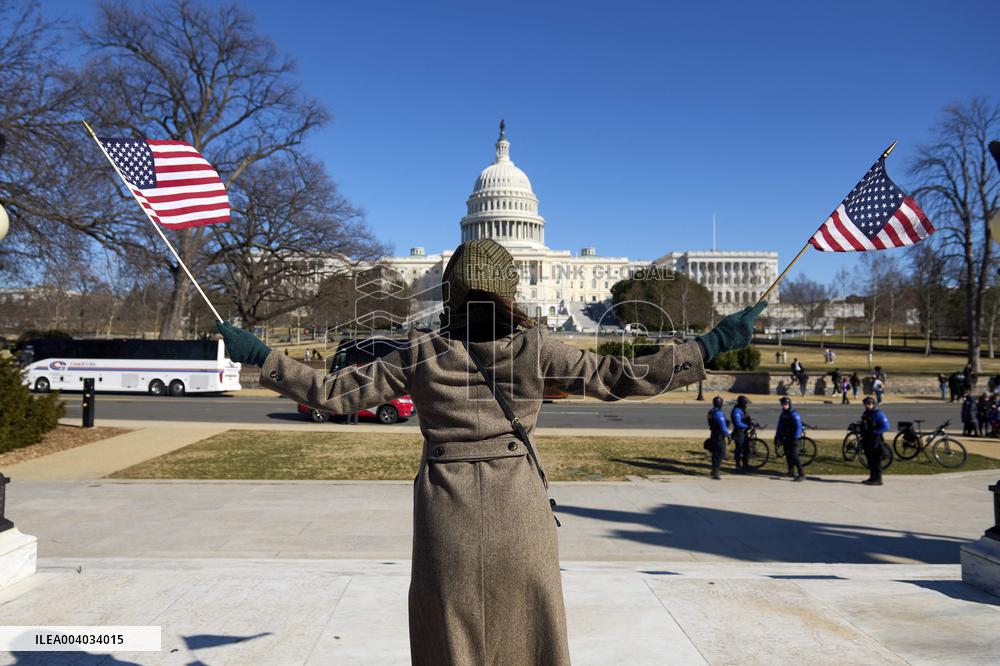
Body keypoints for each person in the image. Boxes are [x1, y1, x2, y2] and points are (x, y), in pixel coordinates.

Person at [215, 237, 767, 664]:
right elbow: (624, 377)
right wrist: (710, 344)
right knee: (526, 636)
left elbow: (333, 395)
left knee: (451, 632)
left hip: (445, 510)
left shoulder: (422, 353)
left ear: (451, 291)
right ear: (509, 290)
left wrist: (264, 358)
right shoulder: (534, 348)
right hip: (518, 509)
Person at [859, 396, 890, 486]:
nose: (866, 406)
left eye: (868, 404)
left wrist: (874, 432)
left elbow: (886, 426)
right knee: (870, 459)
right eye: (865, 404)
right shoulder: (867, 413)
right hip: (866, 438)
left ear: (872, 404)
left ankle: (878, 478)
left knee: (876, 459)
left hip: (875, 439)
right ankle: (872, 477)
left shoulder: (878, 414)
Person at [775, 396, 805, 481]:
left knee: (794, 455)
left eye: (785, 404)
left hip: (793, 438)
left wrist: (796, 437)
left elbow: (798, 427)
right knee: (788, 455)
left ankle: (802, 473)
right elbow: (779, 426)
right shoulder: (784, 414)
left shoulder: (794, 414)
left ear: (789, 404)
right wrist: (777, 436)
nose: (783, 406)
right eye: (782, 404)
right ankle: (791, 471)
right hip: (786, 437)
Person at [707, 396, 729, 479]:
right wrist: (727, 435)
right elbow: (723, 426)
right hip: (719, 436)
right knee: (720, 454)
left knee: (715, 453)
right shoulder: (719, 413)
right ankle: (716, 472)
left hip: (713, 434)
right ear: (720, 404)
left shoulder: (710, 412)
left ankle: (714, 470)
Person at [730, 395, 752, 472]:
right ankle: (738, 465)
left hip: (744, 432)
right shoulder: (736, 411)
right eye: (745, 403)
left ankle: (745, 464)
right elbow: (737, 423)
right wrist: (747, 426)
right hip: (739, 433)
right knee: (739, 449)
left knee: (746, 449)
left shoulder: (743, 410)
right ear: (742, 403)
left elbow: (747, 418)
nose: (747, 405)